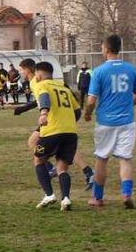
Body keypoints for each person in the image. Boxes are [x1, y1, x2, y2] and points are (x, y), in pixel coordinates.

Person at [16, 58, 94, 188]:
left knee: (33, 142)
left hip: (55, 118)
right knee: (65, 147)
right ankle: (87, 171)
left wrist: (26, 109)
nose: (21, 73)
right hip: (64, 114)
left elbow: (44, 97)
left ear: (28, 70)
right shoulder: (41, 81)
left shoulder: (36, 82)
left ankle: (51, 168)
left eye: (21, 70)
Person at [84, 35, 136, 209]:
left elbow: (92, 100)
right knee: (125, 159)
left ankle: (98, 197)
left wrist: (87, 113)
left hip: (106, 122)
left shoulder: (99, 71)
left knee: (101, 158)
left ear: (106, 49)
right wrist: (129, 104)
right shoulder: (131, 69)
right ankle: (126, 194)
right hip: (127, 121)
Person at [32, 61, 80, 211]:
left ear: (39, 73)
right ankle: (65, 198)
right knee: (62, 168)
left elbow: (44, 97)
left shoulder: (42, 85)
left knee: (38, 160)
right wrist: (69, 122)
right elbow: (77, 111)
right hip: (71, 132)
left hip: (52, 131)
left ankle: (49, 194)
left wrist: (44, 113)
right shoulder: (63, 87)